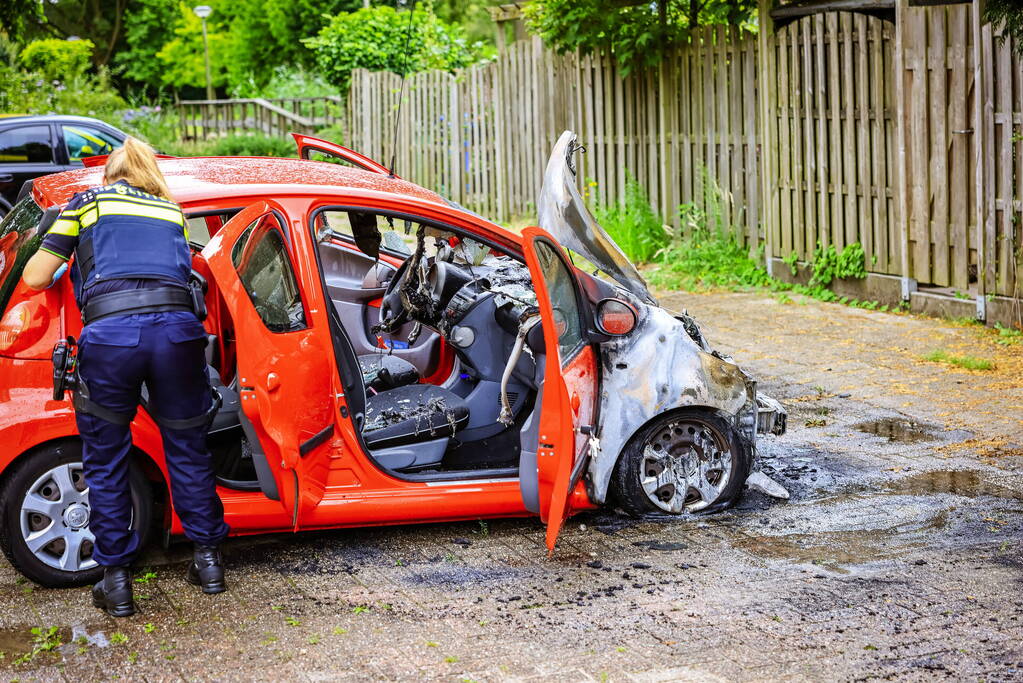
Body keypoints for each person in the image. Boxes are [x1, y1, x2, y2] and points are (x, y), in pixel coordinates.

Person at [22, 137, 230, 617]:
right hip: (178, 335)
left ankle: (116, 581)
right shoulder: (170, 212)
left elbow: (36, 277)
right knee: (187, 445)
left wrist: (55, 244)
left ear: (110, 175)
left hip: (112, 339)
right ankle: (208, 562)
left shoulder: (86, 205)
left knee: (107, 458)